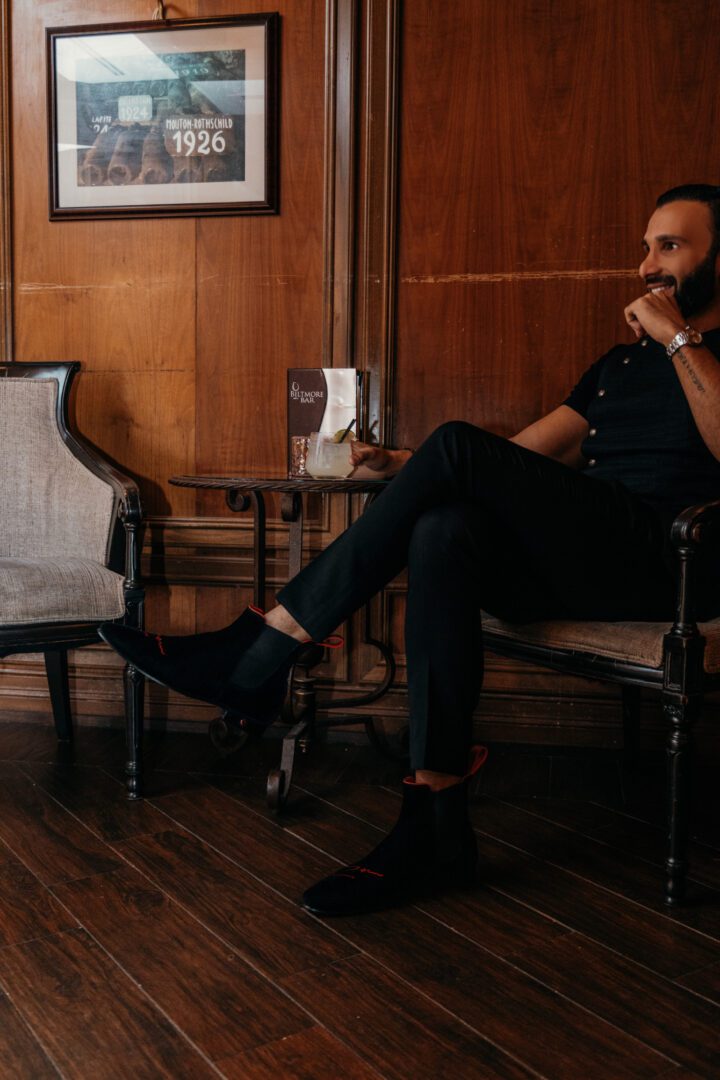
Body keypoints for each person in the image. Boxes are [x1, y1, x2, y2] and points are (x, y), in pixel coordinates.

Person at [100, 184, 720, 917]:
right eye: (647, 246)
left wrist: (681, 338)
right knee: (443, 529)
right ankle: (437, 823)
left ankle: (264, 649)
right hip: (591, 558)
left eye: (670, 246)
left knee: (458, 455)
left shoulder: (696, 356)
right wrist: (401, 465)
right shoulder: (616, 365)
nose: (647, 264)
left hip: (672, 568)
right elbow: (515, 457)